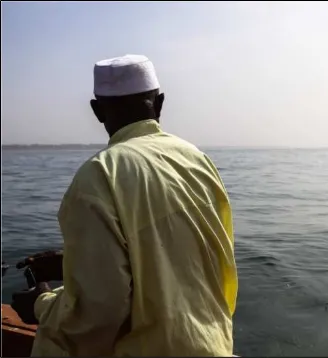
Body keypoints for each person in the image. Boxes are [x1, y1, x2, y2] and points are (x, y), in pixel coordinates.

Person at [11, 54, 238, 357]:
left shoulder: (98, 176)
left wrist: (41, 303)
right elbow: (195, 254)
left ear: (96, 111)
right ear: (159, 103)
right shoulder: (196, 160)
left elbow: (97, 312)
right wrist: (73, 261)